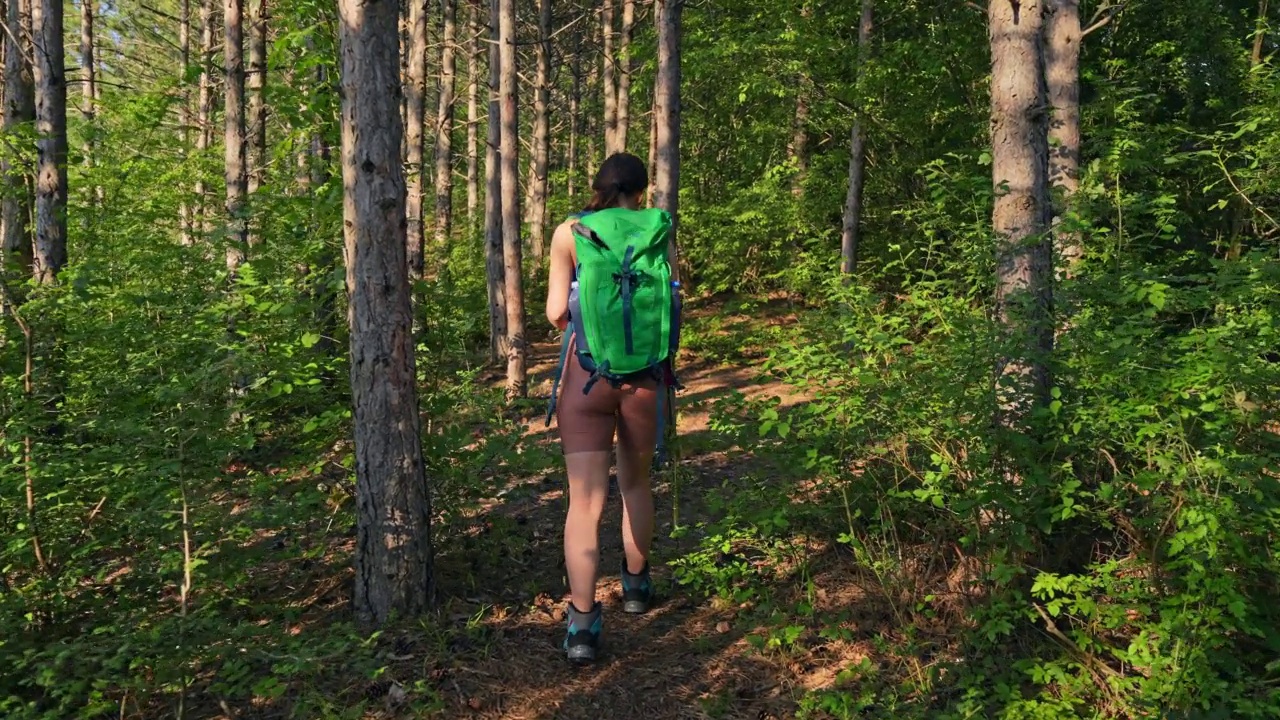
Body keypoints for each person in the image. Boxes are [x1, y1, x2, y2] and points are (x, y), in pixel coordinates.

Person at [544, 152, 679, 663]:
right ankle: (637, 589)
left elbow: (557, 311)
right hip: (645, 377)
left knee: (585, 502)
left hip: (586, 377)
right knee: (637, 483)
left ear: (599, 188)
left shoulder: (571, 232)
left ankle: (581, 626)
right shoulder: (657, 231)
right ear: (641, 191)